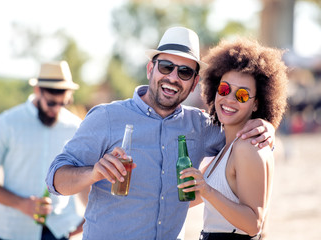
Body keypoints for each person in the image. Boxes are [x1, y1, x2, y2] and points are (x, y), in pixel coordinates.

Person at [45, 27, 275, 240]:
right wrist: (93, 173)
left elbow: (241, 142)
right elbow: (56, 180)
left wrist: (267, 126)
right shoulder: (106, 117)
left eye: (185, 72)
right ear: (150, 69)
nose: (173, 77)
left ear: (195, 83)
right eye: (166, 66)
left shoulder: (201, 126)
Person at [178, 38, 288, 239]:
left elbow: (254, 224)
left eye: (243, 95)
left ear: (256, 104)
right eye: (225, 89)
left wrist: (207, 190)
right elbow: (189, 197)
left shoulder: (247, 146)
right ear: (215, 90)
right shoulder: (229, 146)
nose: (229, 99)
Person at [0, 61, 88, 240]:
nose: (56, 109)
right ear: (37, 91)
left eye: (63, 103)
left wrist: (85, 221)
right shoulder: (5, 124)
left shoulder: (76, 127)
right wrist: (21, 204)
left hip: (60, 232)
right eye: (51, 103)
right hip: (12, 232)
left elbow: (83, 178)